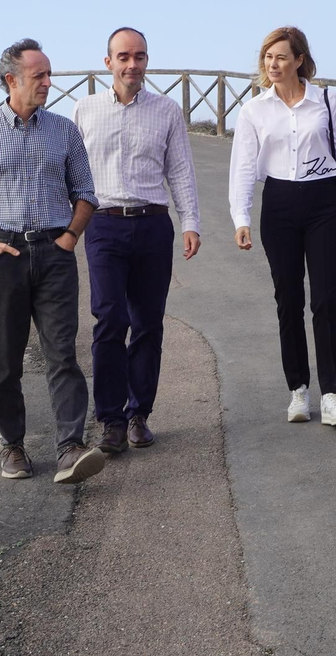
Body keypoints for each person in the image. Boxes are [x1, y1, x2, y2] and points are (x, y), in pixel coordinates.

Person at [0, 38, 107, 483]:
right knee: (3, 359)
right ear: (11, 80)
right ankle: (13, 446)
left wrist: (70, 237)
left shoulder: (64, 130)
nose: (48, 82)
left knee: (63, 354)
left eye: (49, 74)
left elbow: (86, 193)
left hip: (55, 253)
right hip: (2, 255)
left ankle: (70, 448)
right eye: (40, 75)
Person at [229, 26, 336, 427]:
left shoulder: (326, 101)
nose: (273, 64)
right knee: (288, 299)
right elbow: (243, 168)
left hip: (323, 204)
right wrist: (241, 218)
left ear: (299, 60)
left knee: (326, 299)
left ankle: (333, 395)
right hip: (278, 206)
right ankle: (298, 390)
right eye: (268, 57)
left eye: (281, 57)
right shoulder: (254, 110)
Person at [73, 27, 202, 453]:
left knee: (148, 323)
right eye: (124, 57)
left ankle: (138, 414)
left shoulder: (166, 110)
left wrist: (191, 222)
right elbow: (70, 171)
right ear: (108, 62)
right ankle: (110, 420)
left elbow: (180, 170)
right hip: (104, 224)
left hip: (152, 225)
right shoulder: (84, 109)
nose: (132, 64)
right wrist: (66, 226)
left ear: (147, 61)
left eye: (140, 56)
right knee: (110, 320)